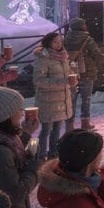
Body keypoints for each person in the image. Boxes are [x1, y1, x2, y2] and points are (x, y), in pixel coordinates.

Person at [63, 17, 104, 131]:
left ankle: (69, 125)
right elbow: (97, 56)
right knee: (86, 99)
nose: (86, 25)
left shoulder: (66, 39)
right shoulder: (88, 40)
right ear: (82, 26)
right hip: (87, 72)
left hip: (71, 73)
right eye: (84, 24)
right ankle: (85, 123)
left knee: (71, 100)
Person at [33, 31, 73, 161]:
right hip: (48, 100)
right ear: (48, 43)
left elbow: (66, 74)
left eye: (60, 41)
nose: (58, 44)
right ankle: (40, 155)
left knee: (57, 128)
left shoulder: (63, 56)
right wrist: (63, 82)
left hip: (61, 99)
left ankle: (53, 154)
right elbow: (38, 80)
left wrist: (73, 76)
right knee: (46, 129)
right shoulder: (44, 58)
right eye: (55, 41)